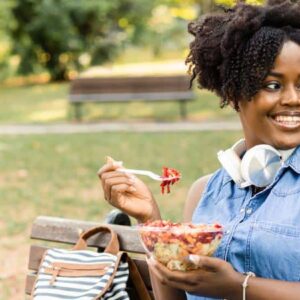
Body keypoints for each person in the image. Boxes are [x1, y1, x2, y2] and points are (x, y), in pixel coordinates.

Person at [98, 0, 300, 299]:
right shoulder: (205, 191)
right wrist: (151, 222)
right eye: (272, 85)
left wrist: (239, 286)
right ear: (233, 93)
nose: (293, 99)